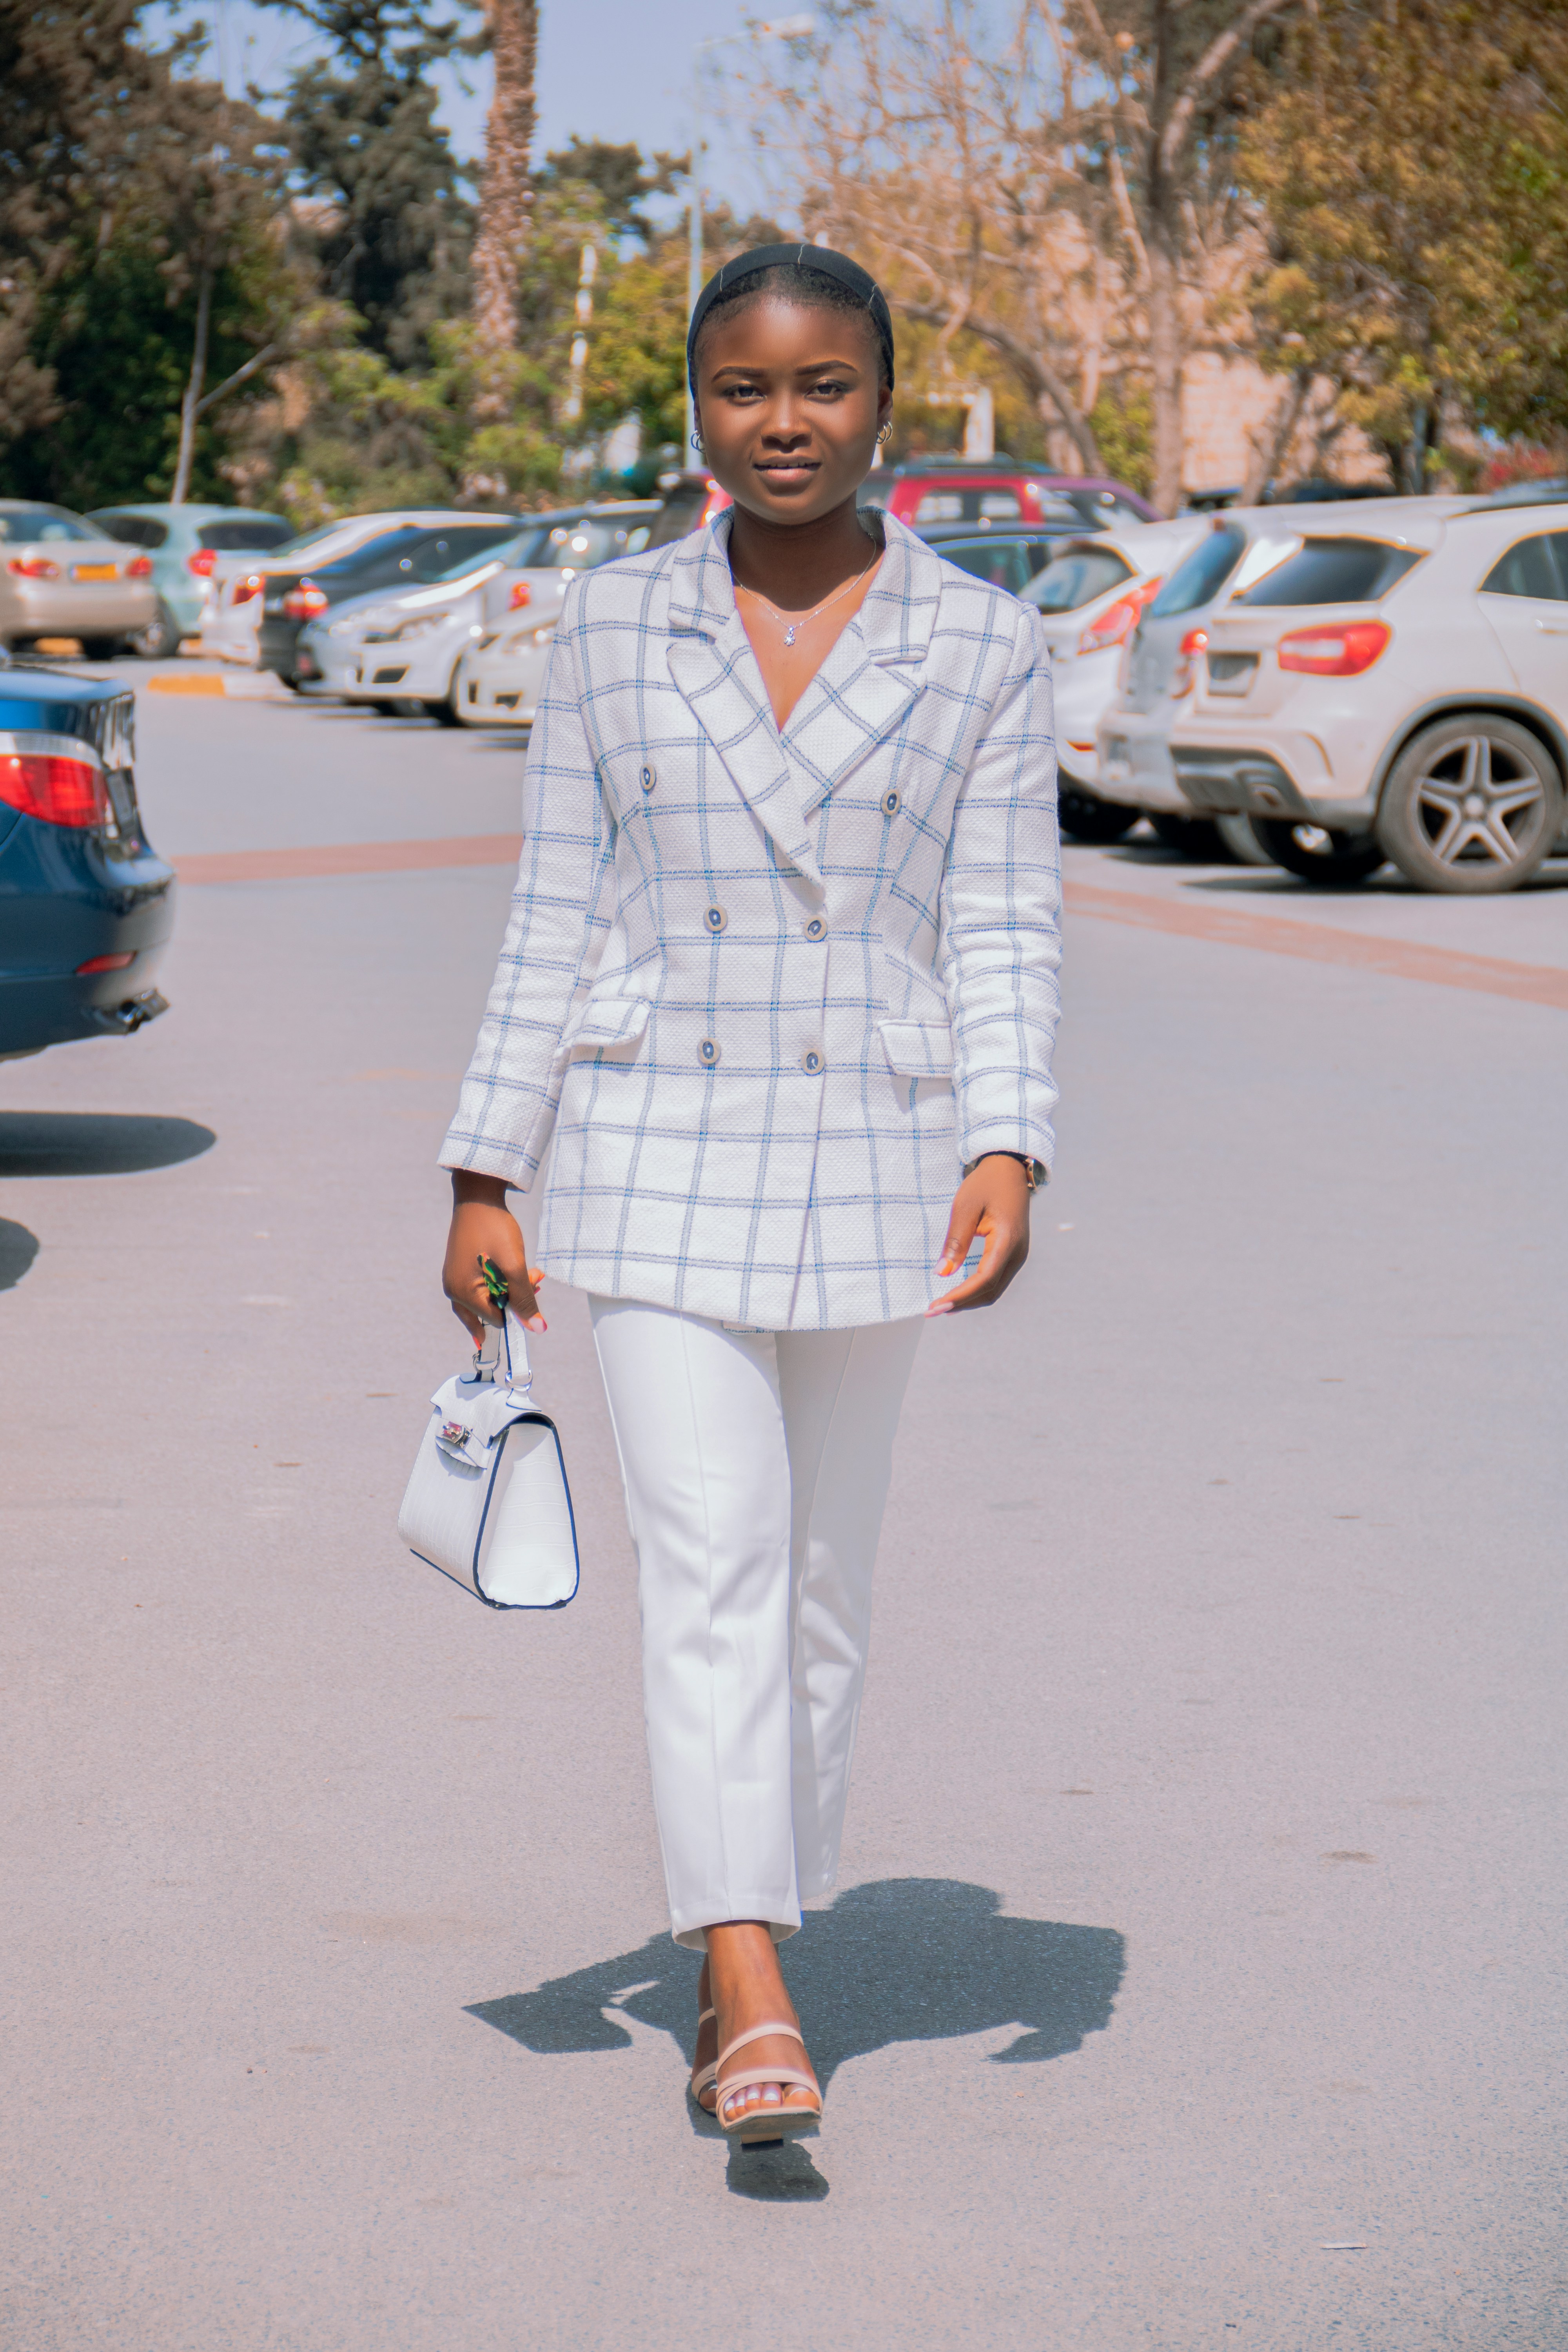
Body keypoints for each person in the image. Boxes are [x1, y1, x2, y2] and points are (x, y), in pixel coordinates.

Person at [438, 243, 1061, 2145]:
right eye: (740, 390)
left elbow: (1002, 914)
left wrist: (1008, 1139)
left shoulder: (985, 641)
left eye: (822, 388)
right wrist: (485, 1166)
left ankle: (754, 1905)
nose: (781, 424)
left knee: (818, 1593)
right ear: (694, 405)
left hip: (876, 1155)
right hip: (652, 1145)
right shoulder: (612, 623)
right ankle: (745, 1976)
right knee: (712, 1560)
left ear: (887, 398)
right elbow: (555, 905)